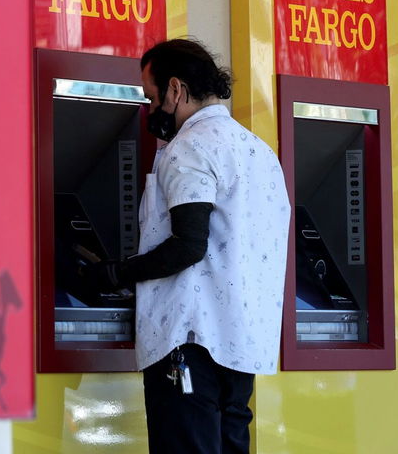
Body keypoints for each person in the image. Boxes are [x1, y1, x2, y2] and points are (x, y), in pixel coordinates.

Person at [83, 38, 290, 454]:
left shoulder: (190, 148)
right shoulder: (259, 151)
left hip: (190, 342)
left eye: (152, 97)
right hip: (240, 344)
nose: (150, 110)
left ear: (176, 89)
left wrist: (114, 272)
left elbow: (187, 245)